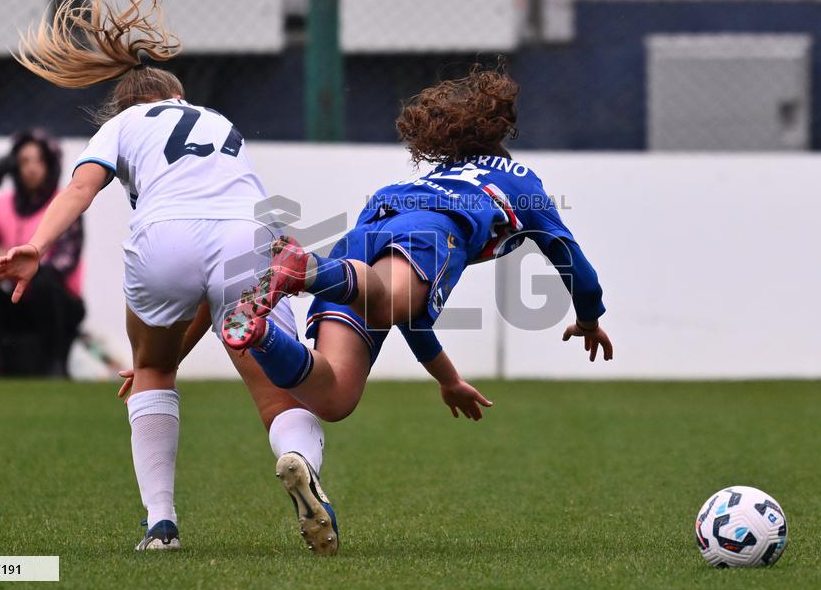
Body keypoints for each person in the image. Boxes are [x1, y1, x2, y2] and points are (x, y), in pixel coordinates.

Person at [0, 0, 338, 555]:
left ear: (127, 104)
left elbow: (80, 187)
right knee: (279, 397)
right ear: (179, 97)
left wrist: (36, 246)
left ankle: (161, 525)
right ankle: (297, 458)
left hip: (163, 235)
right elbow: (217, 283)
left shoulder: (124, 125)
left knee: (151, 375)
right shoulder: (220, 123)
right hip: (248, 237)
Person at [222, 66, 614, 422]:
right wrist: (589, 319)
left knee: (333, 398)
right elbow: (570, 257)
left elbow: (408, 315)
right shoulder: (521, 179)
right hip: (428, 234)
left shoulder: (430, 179)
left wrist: (449, 379)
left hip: (363, 241)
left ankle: (260, 332)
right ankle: (305, 270)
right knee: (385, 305)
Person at [0, 129, 85, 376]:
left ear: (50, 165)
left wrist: (31, 266)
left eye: (39, 161)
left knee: (44, 284)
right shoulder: (2, 203)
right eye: (24, 161)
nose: (32, 168)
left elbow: (66, 261)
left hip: (56, 300)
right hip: (16, 297)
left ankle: (54, 363)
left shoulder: (64, 203)